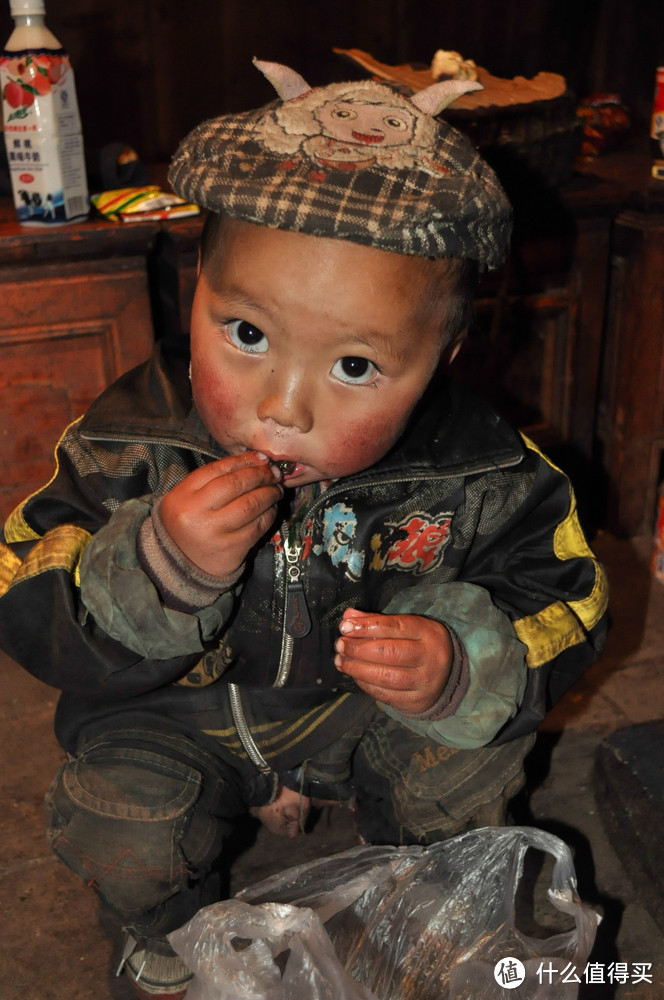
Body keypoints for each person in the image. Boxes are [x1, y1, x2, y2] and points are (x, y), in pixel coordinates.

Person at [0, 60, 608, 998]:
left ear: (441, 359)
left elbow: (568, 603)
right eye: (246, 334)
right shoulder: (128, 443)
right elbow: (23, 591)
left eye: (357, 365)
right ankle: (160, 942)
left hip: (351, 718)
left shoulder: (485, 474)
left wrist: (461, 663)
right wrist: (154, 568)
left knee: (462, 763)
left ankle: (422, 898)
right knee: (119, 818)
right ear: (195, 288)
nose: (282, 408)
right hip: (178, 719)